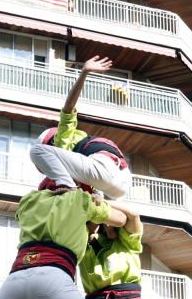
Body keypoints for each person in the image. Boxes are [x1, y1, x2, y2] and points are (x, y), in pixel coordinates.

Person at [29, 56, 132, 199]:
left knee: (36, 151)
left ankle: (66, 185)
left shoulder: (61, 141)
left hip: (104, 170)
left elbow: (68, 107)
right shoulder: (82, 159)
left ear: (51, 142)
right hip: (122, 184)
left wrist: (84, 72)